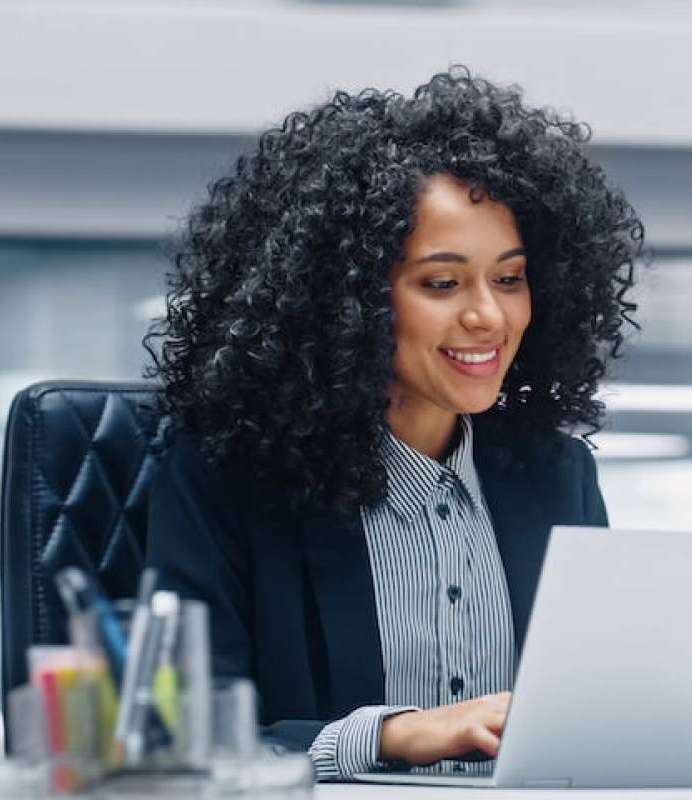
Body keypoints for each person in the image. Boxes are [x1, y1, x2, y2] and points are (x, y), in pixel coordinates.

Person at [142, 67, 645, 781]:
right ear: (343, 299)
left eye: (508, 279)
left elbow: (597, 713)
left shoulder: (556, 477)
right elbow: (177, 741)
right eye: (442, 283)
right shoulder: (224, 480)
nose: (488, 316)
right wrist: (390, 735)